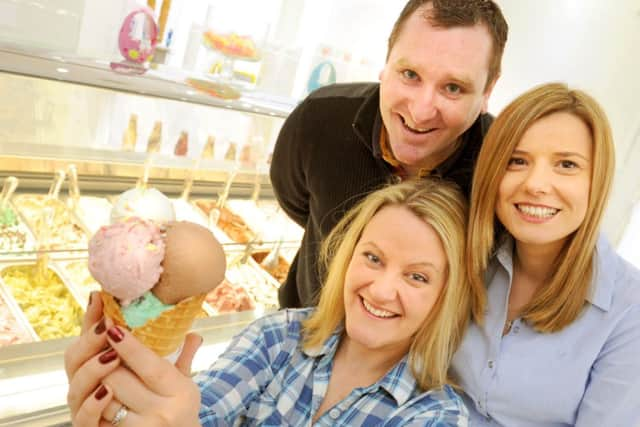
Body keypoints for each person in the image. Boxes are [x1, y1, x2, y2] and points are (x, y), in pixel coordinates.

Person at [65, 179, 473, 426]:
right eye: (373, 258)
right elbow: (198, 413)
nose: (382, 290)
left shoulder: (435, 416)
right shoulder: (279, 336)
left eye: (417, 276)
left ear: (446, 296)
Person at [271, 0, 509, 308]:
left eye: (453, 88)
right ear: (386, 61)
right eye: (410, 74)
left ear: (488, 91)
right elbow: (297, 204)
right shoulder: (318, 119)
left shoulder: (503, 166)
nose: (421, 112)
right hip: (300, 334)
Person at [451, 82, 640, 426]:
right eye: (517, 161)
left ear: (596, 181)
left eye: (566, 165)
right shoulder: (468, 260)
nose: (536, 184)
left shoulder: (630, 309)